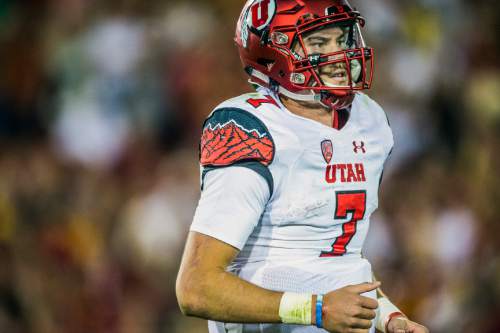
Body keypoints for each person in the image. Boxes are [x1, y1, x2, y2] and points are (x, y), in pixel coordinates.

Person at [176, 1, 429, 332]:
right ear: (272, 52)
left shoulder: (369, 121)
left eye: (342, 39)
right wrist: (317, 309)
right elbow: (196, 288)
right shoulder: (250, 128)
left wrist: (389, 317)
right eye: (320, 43)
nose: (339, 55)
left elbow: (337, 260)